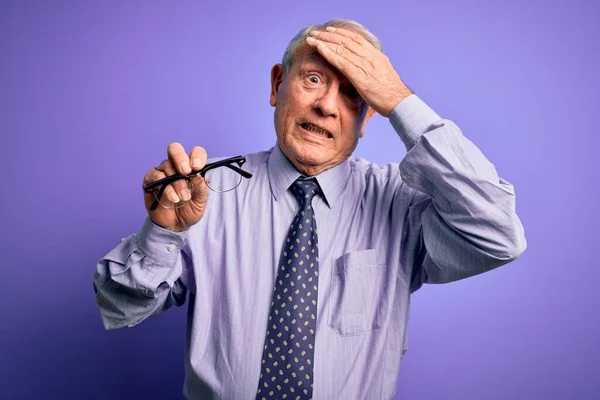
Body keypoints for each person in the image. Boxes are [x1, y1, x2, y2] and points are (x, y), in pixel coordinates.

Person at [93, 18, 527, 400]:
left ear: (368, 116)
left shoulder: (400, 203)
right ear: (277, 84)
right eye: (314, 79)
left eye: (354, 93)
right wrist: (162, 234)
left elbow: (498, 235)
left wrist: (399, 100)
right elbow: (119, 306)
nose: (326, 106)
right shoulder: (205, 191)